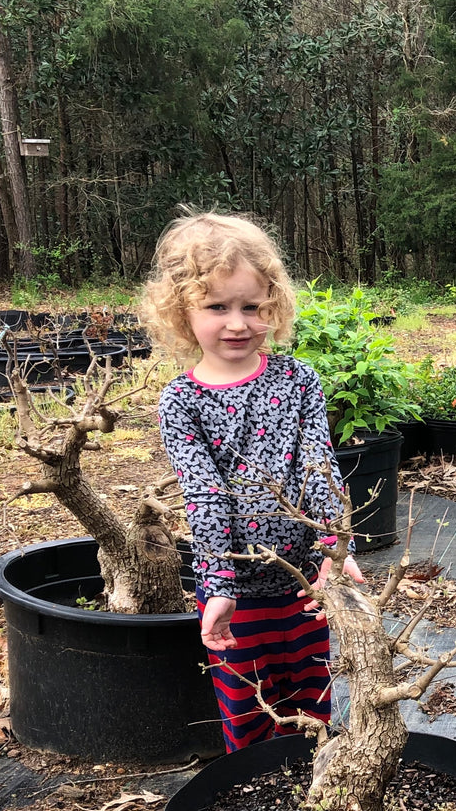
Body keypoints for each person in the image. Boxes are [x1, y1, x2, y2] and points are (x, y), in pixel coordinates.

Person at [147, 211, 363, 751]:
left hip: (306, 585)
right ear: (181, 313)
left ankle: (316, 789)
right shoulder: (181, 401)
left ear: (275, 304)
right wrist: (217, 584)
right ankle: (255, 791)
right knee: (248, 707)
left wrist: (334, 550)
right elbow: (205, 495)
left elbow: (318, 468)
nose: (237, 323)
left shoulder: (297, 380)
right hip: (236, 594)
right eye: (217, 307)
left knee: (313, 699)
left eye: (253, 306)